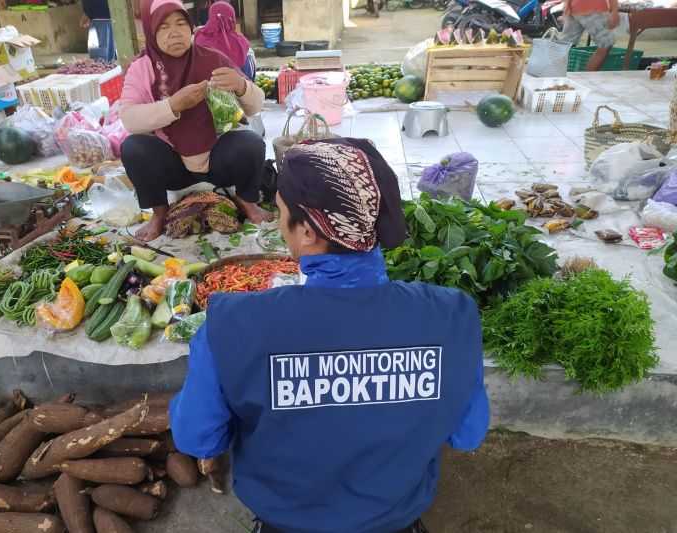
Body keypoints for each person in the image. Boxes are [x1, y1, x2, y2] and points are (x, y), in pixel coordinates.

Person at [169, 138, 491, 533]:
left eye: (281, 214)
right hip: (395, 519)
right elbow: (468, 434)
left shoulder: (231, 324)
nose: (277, 225)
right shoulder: (451, 314)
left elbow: (199, 438)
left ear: (306, 231)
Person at [119, 0, 272, 242]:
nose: (175, 33)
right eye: (163, 27)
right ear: (150, 31)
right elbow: (128, 119)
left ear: (191, 27)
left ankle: (247, 201)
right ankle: (159, 213)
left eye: (181, 23)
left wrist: (242, 86)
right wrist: (173, 105)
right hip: (173, 166)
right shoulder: (143, 68)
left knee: (251, 142)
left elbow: (256, 106)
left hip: (218, 160)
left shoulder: (212, 59)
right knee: (134, 147)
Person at [194, 0, 256, 80]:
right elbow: (249, 73)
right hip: (239, 87)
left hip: (206, 88)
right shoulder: (241, 43)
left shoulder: (199, 39)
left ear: (210, 17)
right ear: (232, 19)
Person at [559, 0, 620, 71]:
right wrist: (615, 11)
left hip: (573, 7)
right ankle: (588, 77)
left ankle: (553, 75)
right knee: (606, 44)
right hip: (593, 8)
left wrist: (567, 7)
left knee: (565, 46)